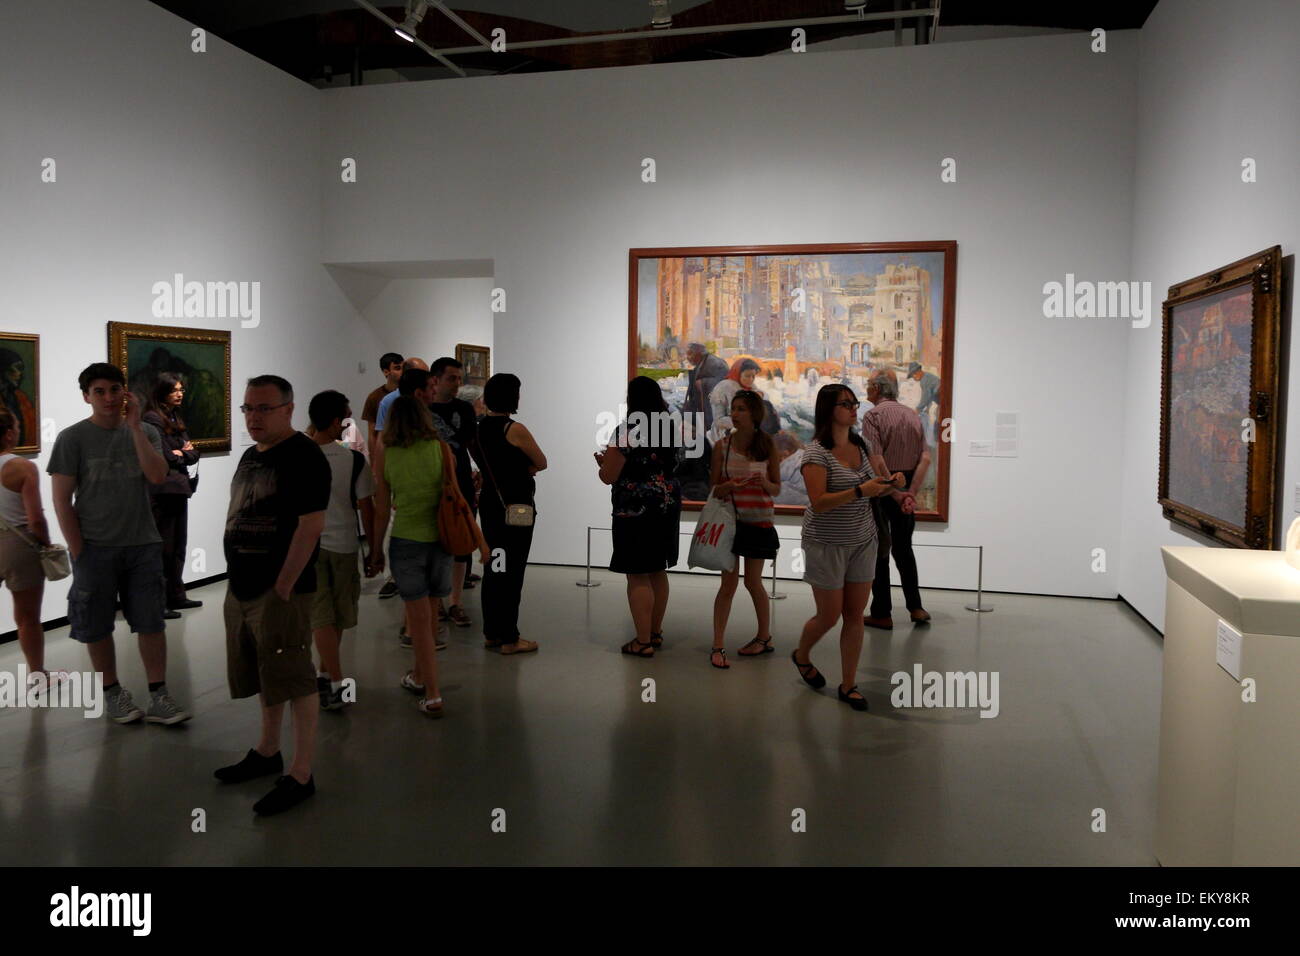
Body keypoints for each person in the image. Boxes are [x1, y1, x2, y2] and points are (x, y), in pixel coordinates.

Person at [47, 363, 190, 725]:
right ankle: (113, 694)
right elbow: (62, 500)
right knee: (97, 625)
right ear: (86, 397)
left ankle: (159, 695)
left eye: (114, 389)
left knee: (151, 621)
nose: (108, 398)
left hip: (142, 543)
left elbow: (157, 475)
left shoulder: (145, 432)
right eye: (99, 391)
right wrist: (78, 550)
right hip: (95, 547)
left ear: (124, 393)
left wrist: (134, 428)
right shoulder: (71, 438)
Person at [215, 375, 329, 815]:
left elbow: (311, 524)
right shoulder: (249, 456)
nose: (254, 417)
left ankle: (301, 773)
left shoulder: (304, 456)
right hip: (242, 584)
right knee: (266, 671)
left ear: (288, 409)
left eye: (263, 408)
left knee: (295, 675)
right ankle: (267, 750)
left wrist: (283, 584)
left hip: (281, 590)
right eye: (247, 408)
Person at [790, 384, 903, 711]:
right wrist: (860, 490)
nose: (855, 408)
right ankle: (801, 655)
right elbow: (819, 502)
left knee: (854, 615)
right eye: (846, 404)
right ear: (829, 410)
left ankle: (849, 684)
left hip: (862, 540)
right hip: (825, 542)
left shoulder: (863, 444)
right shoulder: (815, 453)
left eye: (855, 403)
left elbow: (873, 489)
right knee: (828, 616)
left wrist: (890, 485)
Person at [373, 394, 488, 715]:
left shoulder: (387, 453)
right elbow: (459, 498)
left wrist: (374, 550)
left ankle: (433, 693)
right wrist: (480, 541)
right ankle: (419, 676)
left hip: (406, 542)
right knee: (429, 620)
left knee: (420, 624)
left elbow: (382, 509)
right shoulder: (441, 449)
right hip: (441, 542)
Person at [595, 376, 682, 658]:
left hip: (634, 510)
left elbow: (609, 475)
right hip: (666, 506)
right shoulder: (670, 429)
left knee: (637, 574)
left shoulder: (626, 431)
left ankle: (642, 641)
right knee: (657, 569)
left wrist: (602, 465)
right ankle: (655, 633)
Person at [308, 390, 378, 711]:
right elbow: (366, 507)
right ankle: (336, 681)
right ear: (336, 421)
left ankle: (326, 674)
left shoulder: (299, 456)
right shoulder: (353, 460)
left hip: (307, 547)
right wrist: (375, 548)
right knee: (333, 615)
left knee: (323, 614)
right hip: (344, 546)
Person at [707, 390, 781, 669]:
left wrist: (764, 483)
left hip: (759, 521)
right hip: (730, 523)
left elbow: (776, 488)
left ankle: (764, 637)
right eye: (733, 408)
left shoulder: (767, 445)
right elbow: (714, 488)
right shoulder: (721, 447)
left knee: (753, 582)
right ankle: (717, 645)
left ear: (754, 414)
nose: (735, 413)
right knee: (728, 584)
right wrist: (728, 487)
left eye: (741, 409)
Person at [473, 373, 544, 655]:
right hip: (517, 507)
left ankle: (492, 632)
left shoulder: (479, 429)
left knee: (495, 567)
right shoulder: (514, 429)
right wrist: (523, 469)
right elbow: (541, 461)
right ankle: (509, 638)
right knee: (512, 571)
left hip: (491, 504)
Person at [862, 368, 933, 629]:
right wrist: (909, 494)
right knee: (904, 549)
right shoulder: (912, 415)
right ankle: (916, 607)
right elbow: (925, 458)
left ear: (878, 390)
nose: (867, 389)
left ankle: (881, 612)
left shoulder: (873, 416)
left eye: (869, 385)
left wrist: (893, 492)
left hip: (883, 489)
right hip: (906, 489)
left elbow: (876, 459)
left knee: (880, 551)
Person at [0, 408, 53, 695]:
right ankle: (37, 676)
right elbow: (35, 518)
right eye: (17, 426)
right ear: (9, 433)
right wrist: (46, 544)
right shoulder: (21, 467)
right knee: (27, 618)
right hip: (17, 546)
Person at [142, 373, 201, 617]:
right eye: (175, 390)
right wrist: (182, 454)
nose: (180, 394)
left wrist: (184, 453)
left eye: (181, 390)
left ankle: (176, 595)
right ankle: (158, 601)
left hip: (178, 489)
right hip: (162, 491)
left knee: (178, 545)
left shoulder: (174, 416)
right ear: (162, 391)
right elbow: (165, 456)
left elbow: (192, 452)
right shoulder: (152, 418)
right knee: (162, 547)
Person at [426, 357, 478, 626]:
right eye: (452, 378)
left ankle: (456, 602)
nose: (457, 384)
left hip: (461, 484)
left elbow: (471, 444)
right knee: (434, 545)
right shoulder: (422, 409)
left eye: (459, 378)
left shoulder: (465, 409)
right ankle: (435, 602)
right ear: (435, 379)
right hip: (432, 485)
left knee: (461, 543)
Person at [374, 358, 427, 599]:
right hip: (398, 471)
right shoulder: (388, 402)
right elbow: (379, 434)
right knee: (394, 518)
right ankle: (393, 577)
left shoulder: (427, 406)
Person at [708, 357, 762, 443]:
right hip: (724, 433)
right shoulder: (723, 387)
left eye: (753, 376)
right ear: (737, 373)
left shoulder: (751, 387)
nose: (751, 379)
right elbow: (718, 420)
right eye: (747, 376)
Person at [361, 352, 403, 459]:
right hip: (388, 454)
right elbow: (372, 434)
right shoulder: (374, 397)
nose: (402, 371)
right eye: (397, 368)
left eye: (404, 367)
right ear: (386, 372)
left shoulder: (410, 394)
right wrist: (374, 462)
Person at [682, 343, 729, 432]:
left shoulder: (716, 363)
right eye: (687, 354)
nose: (688, 357)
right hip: (702, 406)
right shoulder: (698, 364)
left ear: (699, 353)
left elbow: (724, 382)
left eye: (690, 354)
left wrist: (704, 383)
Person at [0, 348, 37, 448]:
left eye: (21, 369)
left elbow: (32, 428)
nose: (20, 374)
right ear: (3, 369)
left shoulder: (21, 398)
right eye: (17, 368)